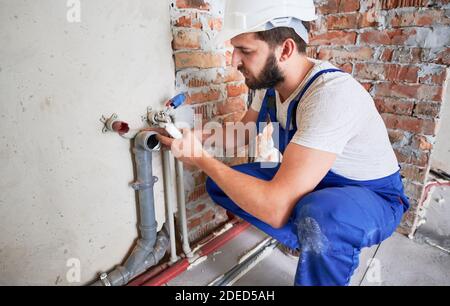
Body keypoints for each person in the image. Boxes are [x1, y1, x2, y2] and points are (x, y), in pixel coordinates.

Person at [155, 0, 410, 286]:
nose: (233, 61)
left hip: (371, 196)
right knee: (222, 185)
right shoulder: (269, 85)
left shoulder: (330, 95)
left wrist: (201, 159)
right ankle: (309, 239)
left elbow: (275, 210)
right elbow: (244, 132)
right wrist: (199, 137)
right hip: (317, 181)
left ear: (285, 49)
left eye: (245, 51)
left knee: (321, 216)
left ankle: (321, 243)